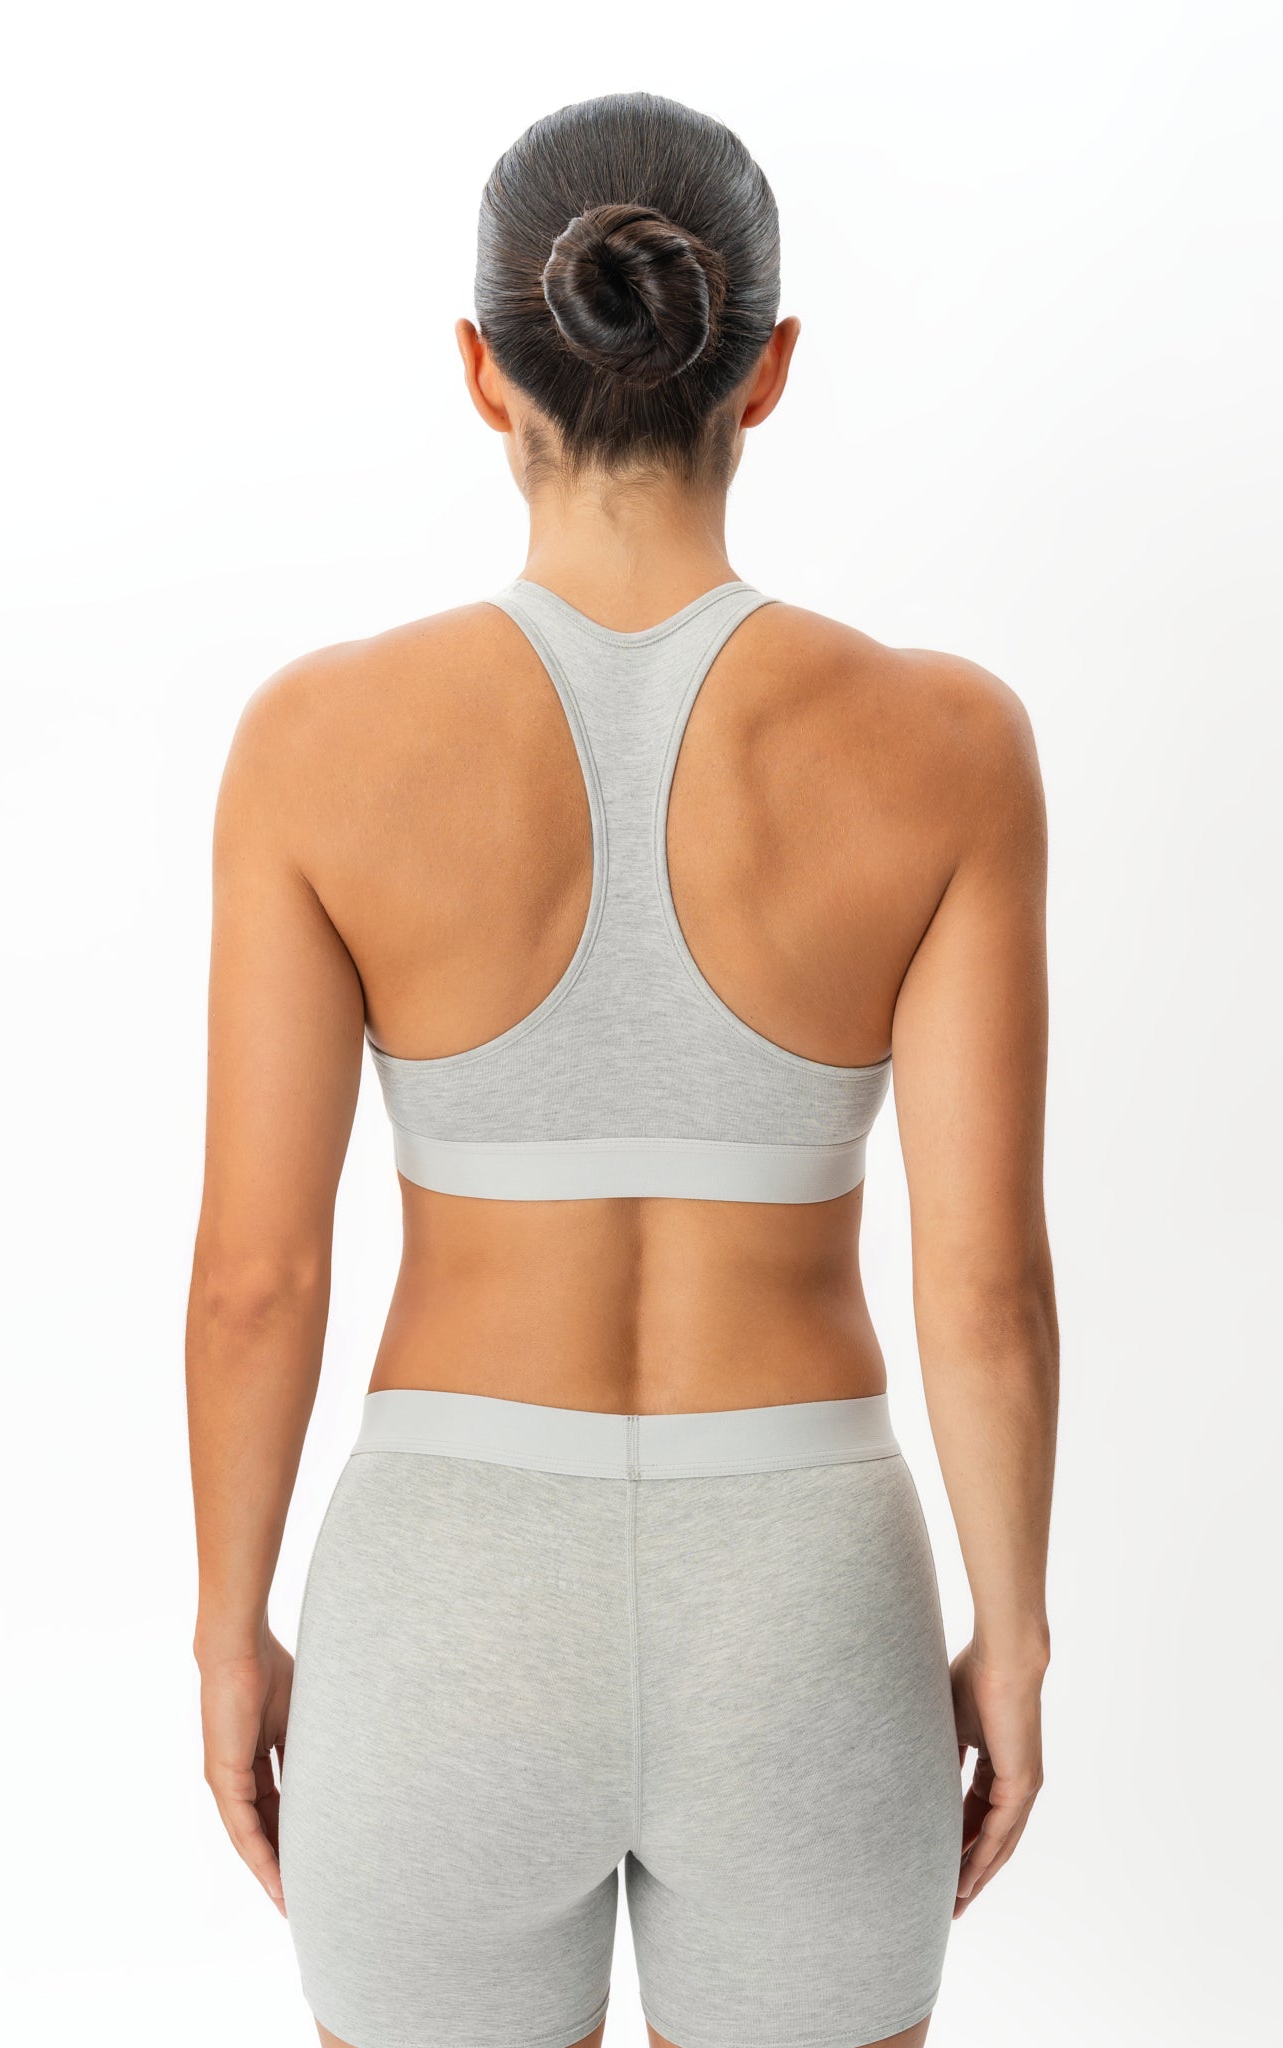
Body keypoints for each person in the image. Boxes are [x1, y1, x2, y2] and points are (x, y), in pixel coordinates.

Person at [185, 90, 1058, 2048]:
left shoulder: (316, 742)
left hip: (447, 1603)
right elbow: (985, 1288)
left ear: (482, 369)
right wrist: (1010, 1640)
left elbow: (256, 1278)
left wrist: (230, 1631)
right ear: (768, 367)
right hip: (802, 1599)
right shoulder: (947, 745)